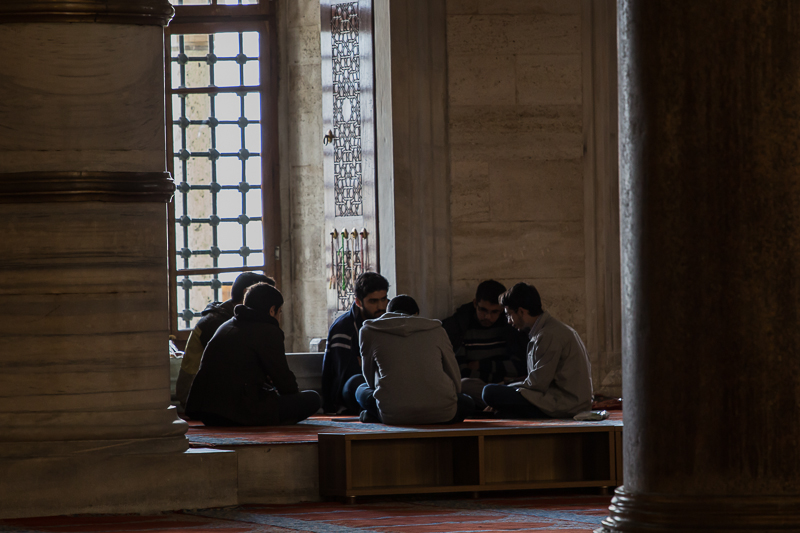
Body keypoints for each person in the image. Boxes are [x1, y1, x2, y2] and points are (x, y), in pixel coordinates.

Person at [185, 282, 321, 425]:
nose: (279, 318)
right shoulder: (268, 331)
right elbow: (285, 384)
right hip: (238, 413)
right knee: (312, 399)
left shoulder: (227, 325)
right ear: (272, 310)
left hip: (207, 412)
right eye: (280, 313)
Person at [355, 295, 475, 425]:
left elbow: (369, 380)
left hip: (393, 414)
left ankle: (374, 415)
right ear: (416, 313)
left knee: (359, 389)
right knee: (467, 402)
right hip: (441, 413)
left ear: (388, 314)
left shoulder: (369, 330)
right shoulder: (437, 330)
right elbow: (454, 374)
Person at [482, 282, 593, 418]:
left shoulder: (548, 334)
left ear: (521, 311)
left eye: (509, 314)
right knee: (501, 408)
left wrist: (507, 387)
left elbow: (538, 384)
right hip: (566, 401)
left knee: (489, 392)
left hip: (565, 405)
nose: (509, 321)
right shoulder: (550, 330)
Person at [175, 273, 275, 409]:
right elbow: (234, 370)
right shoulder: (216, 323)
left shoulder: (234, 318)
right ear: (247, 293)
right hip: (199, 397)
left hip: (222, 392)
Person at [441, 280, 528, 407]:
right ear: (475, 303)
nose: (487, 317)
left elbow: (519, 366)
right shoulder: (460, 328)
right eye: (483, 310)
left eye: (494, 312)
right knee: (464, 385)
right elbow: (461, 372)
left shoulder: (510, 328)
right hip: (480, 388)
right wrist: (499, 378)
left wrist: (481, 365)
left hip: (506, 386)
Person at [321, 272, 389, 413]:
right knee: (358, 382)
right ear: (358, 302)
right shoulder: (344, 327)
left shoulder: (388, 322)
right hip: (352, 389)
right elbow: (349, 372)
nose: (381, 306)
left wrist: (365, 361)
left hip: (384, 385)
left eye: (383, 299)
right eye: (373, 301)